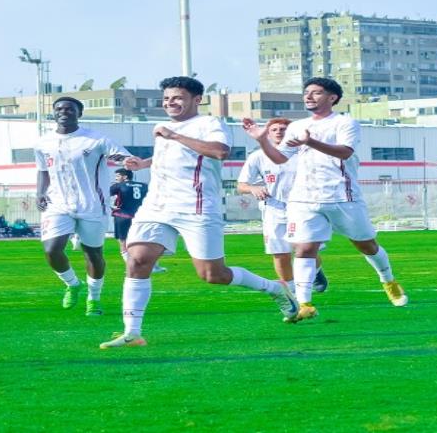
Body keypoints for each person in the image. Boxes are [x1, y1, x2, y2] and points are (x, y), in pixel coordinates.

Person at [99, 77, 298, 348]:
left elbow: (219, 151)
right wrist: (142, 163)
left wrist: (174, 135)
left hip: (197, 206)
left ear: (197, 99)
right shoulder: (164, 128)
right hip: (156, 206)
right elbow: (170, 157)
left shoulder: (209, 124)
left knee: (212, 275)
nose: (170, 102)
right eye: (167, 98)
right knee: (136, 260)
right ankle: (133, 332)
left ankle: (275, 288)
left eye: (178, 97)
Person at [243, 77, 408, 323]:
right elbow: (279, 158)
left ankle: (388, 281)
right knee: (304, 248)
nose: (308, 96)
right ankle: (305, 304)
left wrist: (311, 142)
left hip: (343, 195)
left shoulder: (345, 122)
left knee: (367, 246)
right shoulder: (297, 125)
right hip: (303, 199)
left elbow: (345, 152)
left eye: (316, 93)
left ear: (332, 98)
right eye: (307, 92)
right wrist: (261, 140)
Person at [35, 96, 132, 317]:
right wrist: (40, 192)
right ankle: (72, 283)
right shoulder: (43, 143)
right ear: (53, 113)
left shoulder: (95, 139)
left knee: (93, 254)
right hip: (57, 203)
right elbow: (42, 170)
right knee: (51, 249)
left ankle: (94, 298)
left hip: (93, 205)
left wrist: (125, 160)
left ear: (79, 113)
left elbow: (120, 156)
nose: (63, 112)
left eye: (69, 109)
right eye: (59, 108)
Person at [237, 118, 327, 292]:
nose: (279, 132)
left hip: (302, 207)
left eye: (283, 129)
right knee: (280, 254)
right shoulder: (257, 156)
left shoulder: (303, 153)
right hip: (273, 209)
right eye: (274, 129)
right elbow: (241, 185)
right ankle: (291, 291)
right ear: (268, 133)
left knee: (305, 249)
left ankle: (315, 272)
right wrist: (252, 188)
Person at [110, 168, 166, 273]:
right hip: (141, 217)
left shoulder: (118, 186)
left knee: (123, 242)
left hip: (123, 216)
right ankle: (154, 266)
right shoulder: (144, 185)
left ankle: (131, 267)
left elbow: (102, 196)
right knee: (146, 242)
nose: (116, 178)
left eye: (118, 176)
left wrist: (110, 208)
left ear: (125, 177)